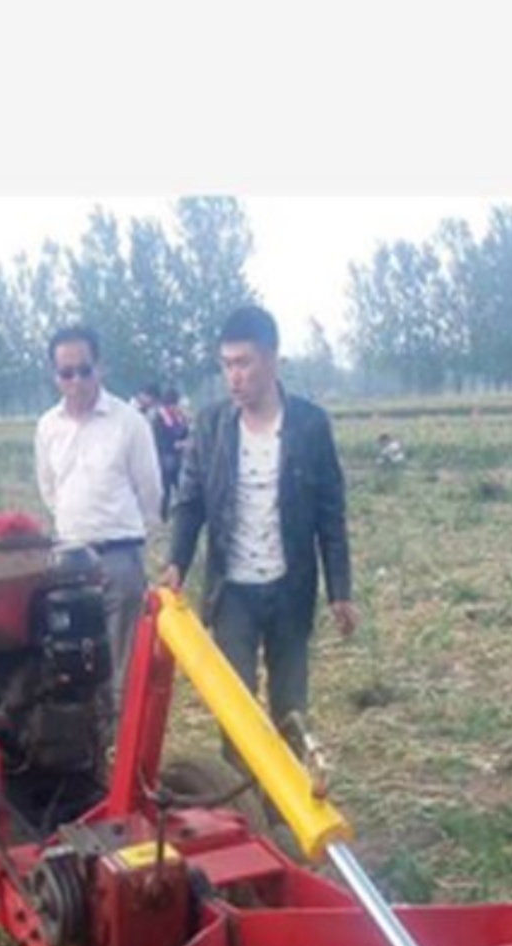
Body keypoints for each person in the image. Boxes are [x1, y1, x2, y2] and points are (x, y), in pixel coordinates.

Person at [165, 303, 356, 743]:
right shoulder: (212, 426)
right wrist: (177, 560)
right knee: (237, 713)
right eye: (227, 364)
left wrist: (339, 591)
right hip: (231, 593)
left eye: (244, 362)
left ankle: (283, 809)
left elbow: (331, 513)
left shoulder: (309, 425)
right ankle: (244, 809)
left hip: (291, 587)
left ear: (271, 359)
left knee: (290, 709)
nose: (235, 376)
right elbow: (191, 503)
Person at [34, 325, 162, 705]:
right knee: (76, 665)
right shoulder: (47, 428)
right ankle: (86, 751)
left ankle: (119, 755)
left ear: (99, 368)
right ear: (54, 375)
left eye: (84, 370)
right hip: (68, 566)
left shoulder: (129, 422)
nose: (76, 381)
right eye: (66, 373)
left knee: (121, 669)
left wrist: (131, 540)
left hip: (118, 558)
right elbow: (49, 490)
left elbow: (150, 491)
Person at [153, 386, 191, 520]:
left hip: (177, 457)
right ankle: (163, 516)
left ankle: (182, 513)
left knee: (181, 487)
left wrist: (186, 423)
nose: (176, 407)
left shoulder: (178, 417)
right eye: (174, 404)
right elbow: (159, 441)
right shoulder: (159, 418)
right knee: (166, 488)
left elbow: (183, 434)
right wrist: (175, 445)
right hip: (164, 457)